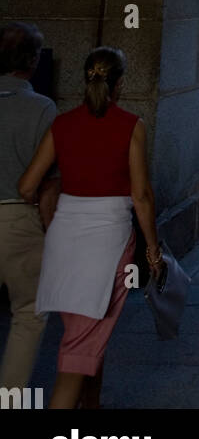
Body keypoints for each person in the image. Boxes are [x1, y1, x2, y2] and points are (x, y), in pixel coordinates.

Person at [18, 46, 163, 409]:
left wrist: (54, 203)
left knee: (85, 332)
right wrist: (153, 249)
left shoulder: (62, 124)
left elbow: (26, 186)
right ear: (120, 84)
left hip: (64, 238)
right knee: (80, 346)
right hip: (108, 241)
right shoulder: (131, 125)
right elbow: (141, 195)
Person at [0, 22, 58, 390]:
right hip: (16, 219)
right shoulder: (42, 108)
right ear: (33, 61)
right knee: (28, 314)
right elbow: (49, 181)